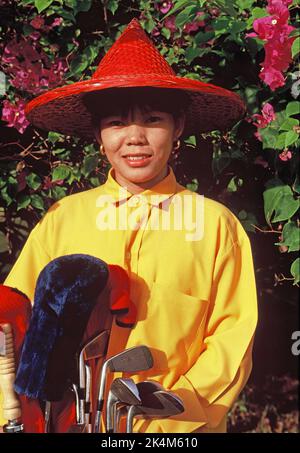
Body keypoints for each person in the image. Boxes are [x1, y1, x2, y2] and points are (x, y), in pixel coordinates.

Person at [1, 18, 257, 433]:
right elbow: (15, 327)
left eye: (153, 119)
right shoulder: (61, 219)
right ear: (99, 136)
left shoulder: (216, 227)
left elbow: (232, 339)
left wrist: (165, 423)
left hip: (178, 432)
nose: (134, 137)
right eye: (117, 123)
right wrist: (15, 414)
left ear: (178, 129)